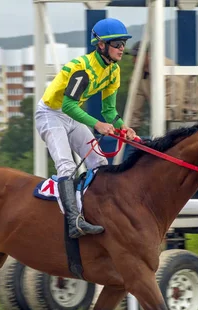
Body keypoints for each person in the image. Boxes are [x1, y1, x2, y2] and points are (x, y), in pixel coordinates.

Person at [35, 17, 138, 243]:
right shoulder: (82, 69)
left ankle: (98, 212)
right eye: (118, 44)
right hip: (50, 114)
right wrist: (97, 124)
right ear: (101, 45)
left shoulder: (113, 71)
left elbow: (109, 110)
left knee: (100, 162)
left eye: (124, 44)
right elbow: (68, 105)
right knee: (67, 165)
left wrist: (124, 128)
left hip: (71, 115)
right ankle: (74, 222)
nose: (123, 49)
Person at [126, 40, 198, 132]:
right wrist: (129, 131)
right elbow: (134, 107)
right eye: (134, 56)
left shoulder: (169, 71)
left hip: (191, 119)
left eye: (137, 56)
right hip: (170, 121)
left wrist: (162, 133)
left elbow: (174, 105)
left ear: (149, 55)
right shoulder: (138, 76)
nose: (134, 60)